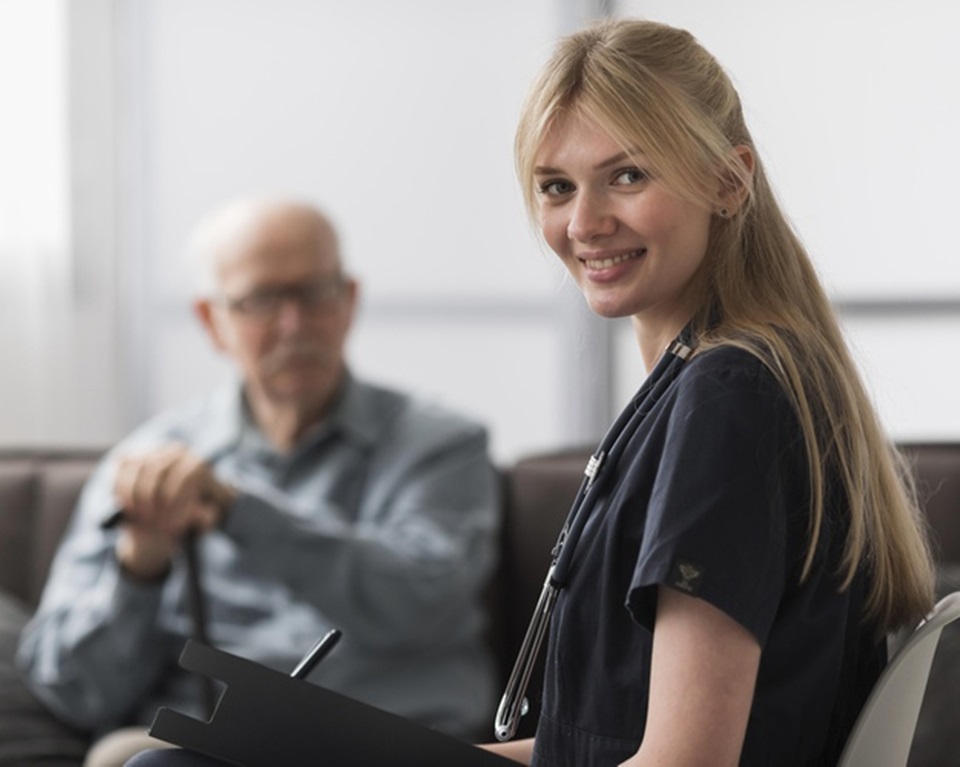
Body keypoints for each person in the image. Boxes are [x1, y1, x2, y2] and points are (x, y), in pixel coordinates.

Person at [124, 18, 937, 767]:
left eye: (626, 175)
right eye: (555, 187)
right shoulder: (714, 380)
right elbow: (587, 748)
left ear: (729, 182)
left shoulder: (728, 395)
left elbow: (683, 763)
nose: (584, 222)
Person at [16, 199, 501, 767]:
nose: (293, 325)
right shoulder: (147, 465)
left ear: (349, 301)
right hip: (208, 753)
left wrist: (237, 509)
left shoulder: (440, 445)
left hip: (396, 744)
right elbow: (71, 689)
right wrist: (139, 568)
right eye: (260, 301)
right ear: (211, 321)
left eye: (314, 293)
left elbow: (420, 601)